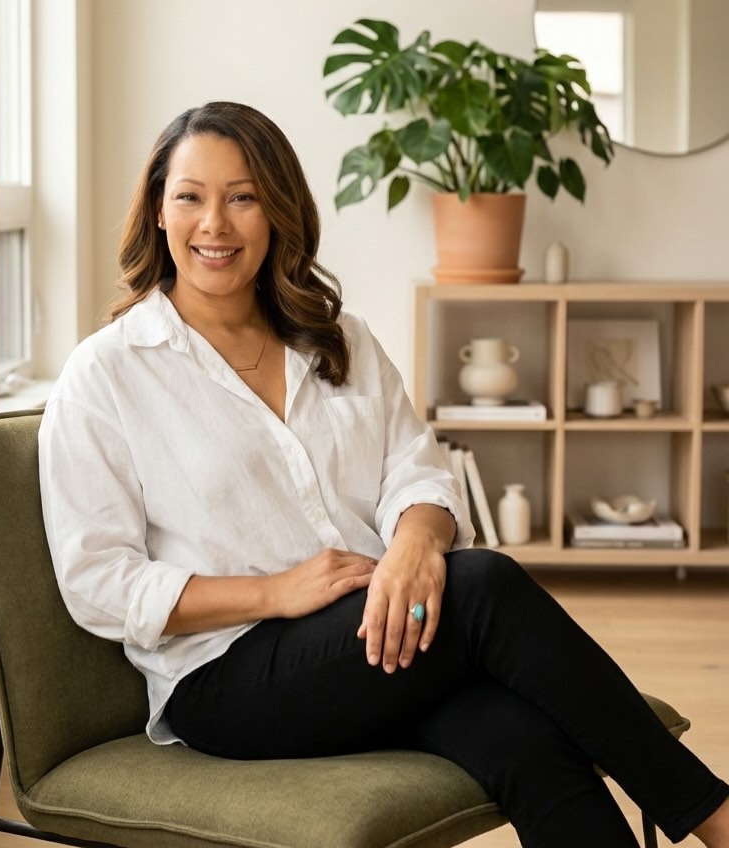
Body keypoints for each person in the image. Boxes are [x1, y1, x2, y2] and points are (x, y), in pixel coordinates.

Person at [38, 101, 729, 847]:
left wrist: (415, 546)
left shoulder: (340, 339)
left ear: (278, 210)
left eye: (242, 197)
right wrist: (276, 592)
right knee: (487, 585)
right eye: (190, 197)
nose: (216, 224)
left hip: (377, 634)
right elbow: (97, 581)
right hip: (229, 677)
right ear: (158, 212)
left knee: (525, 740)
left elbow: (417, 470)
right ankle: (713, 814)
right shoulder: (107, 373)